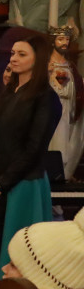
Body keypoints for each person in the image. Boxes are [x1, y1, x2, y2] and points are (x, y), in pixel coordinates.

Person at [0, 34, 61, 272]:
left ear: (39, 59)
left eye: (21, 54)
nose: (13, 58)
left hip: (23, 181)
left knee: (17, 251)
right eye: (13, 53)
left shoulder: (45, 98)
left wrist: (0, 186)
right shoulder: (10, 93)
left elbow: (34, 149)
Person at [48, 29, 84, 179]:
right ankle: (54, 173)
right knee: (55, 143)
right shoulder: (47, 64)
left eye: (67, 40)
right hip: (53, 110)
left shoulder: (70, 66)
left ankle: (65, 174)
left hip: (69, 109)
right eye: (61, 39)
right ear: (53, 41)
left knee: (68, 143)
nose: (65, 43)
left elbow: (77, 85)